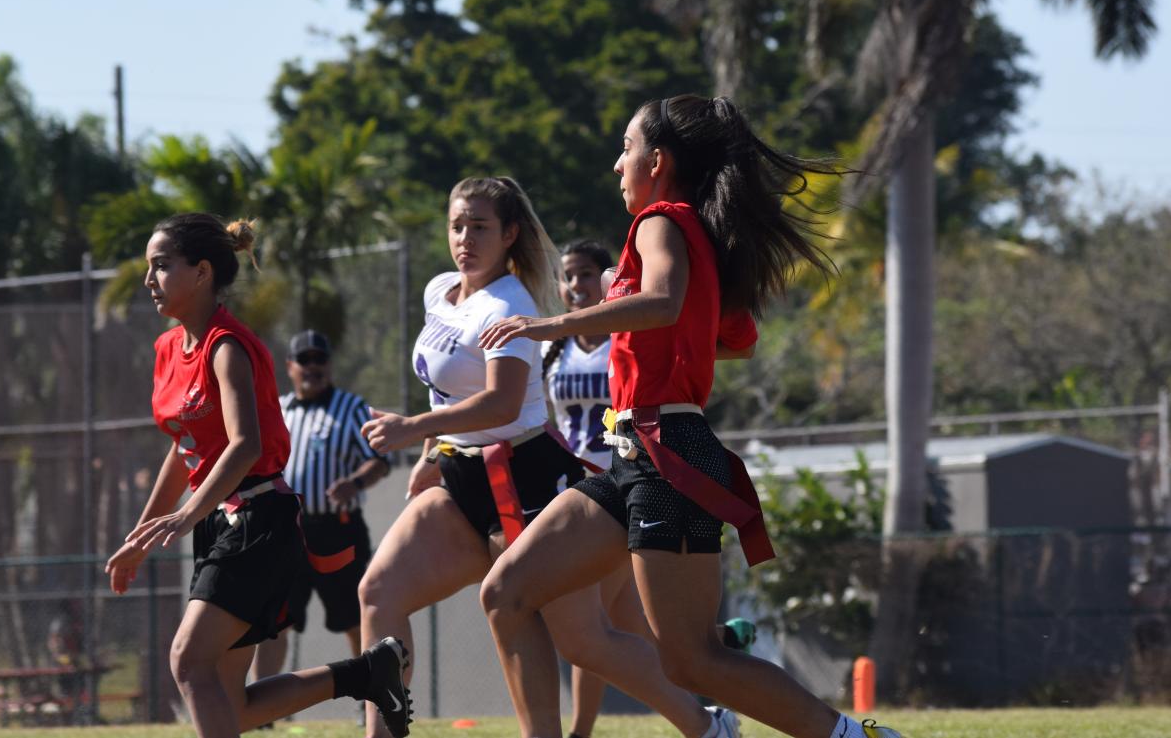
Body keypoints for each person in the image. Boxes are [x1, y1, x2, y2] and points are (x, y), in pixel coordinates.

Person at [478, 95, 908, 738]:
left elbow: (663, 299)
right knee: (507, 592)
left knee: (692, 661)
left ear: (658, 161)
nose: (615, 163)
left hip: (668, 452)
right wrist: (670, 341)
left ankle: (858, 737)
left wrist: (556, 324)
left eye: (625, 149)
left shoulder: (661, 219)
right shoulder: (689, 230)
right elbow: (736, 337)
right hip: (633, 454)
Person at [357, 177, 735, 738]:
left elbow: (502, 401)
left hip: (525, 476)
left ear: (510, 234)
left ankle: (706, 724)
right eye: (457, 225)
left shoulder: (510, 302)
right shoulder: (438, 290)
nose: (465, 238)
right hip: (460, 474)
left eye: (480, 226)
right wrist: (433, 450)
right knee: (378, 594)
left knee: (584, 641)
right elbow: (447, 390)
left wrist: (415, 428)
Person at [103, 213, 413, 738]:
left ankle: (365, 672)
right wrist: (142, 534)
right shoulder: (167, 350)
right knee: (233, 705)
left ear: (202, 273)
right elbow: (184, 450)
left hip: (258, 522)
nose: (149, 279)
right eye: (148, 268)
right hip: (222, 524)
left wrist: (184, 515)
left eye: (161, 266)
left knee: (187, 660)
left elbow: (245, 446)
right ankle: (365, 672)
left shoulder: (227, 346)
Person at [544, 239, 755, 738]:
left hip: (626, 476)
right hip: (577, 485)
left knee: (591, 627)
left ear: (610, 278)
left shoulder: (626, 323)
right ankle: (715, 650)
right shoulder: (555, 350)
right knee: (621, 625)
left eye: (585, 275)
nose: (576, 285)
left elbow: (724, 340)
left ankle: (582, 732)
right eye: (567, 276)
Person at [252, 329, 390, 684]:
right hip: (285, 531)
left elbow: (379, 460)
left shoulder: (352, 408)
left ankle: (371, 697)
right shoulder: (277, 410)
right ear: (290, 366)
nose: (313, 367)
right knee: (274, 620)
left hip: (337, 531)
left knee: (355, 617)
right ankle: (259, 709)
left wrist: (355, 483)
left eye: (320, 359)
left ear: (329, 365)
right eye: (305, 360)